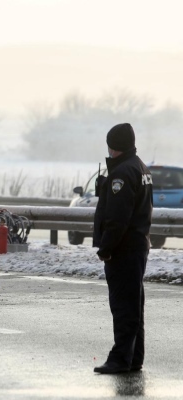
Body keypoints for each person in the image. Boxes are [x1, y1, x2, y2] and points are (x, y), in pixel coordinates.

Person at [92, 122, 153, 374]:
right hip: (138, 246)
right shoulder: (140, 167)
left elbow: (118, 218)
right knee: (134, 305)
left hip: (123, 249)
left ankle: (119, 358)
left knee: (123, 306)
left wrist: (106, 247)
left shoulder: (121, 173)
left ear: (113, 145)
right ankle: (133, 357)